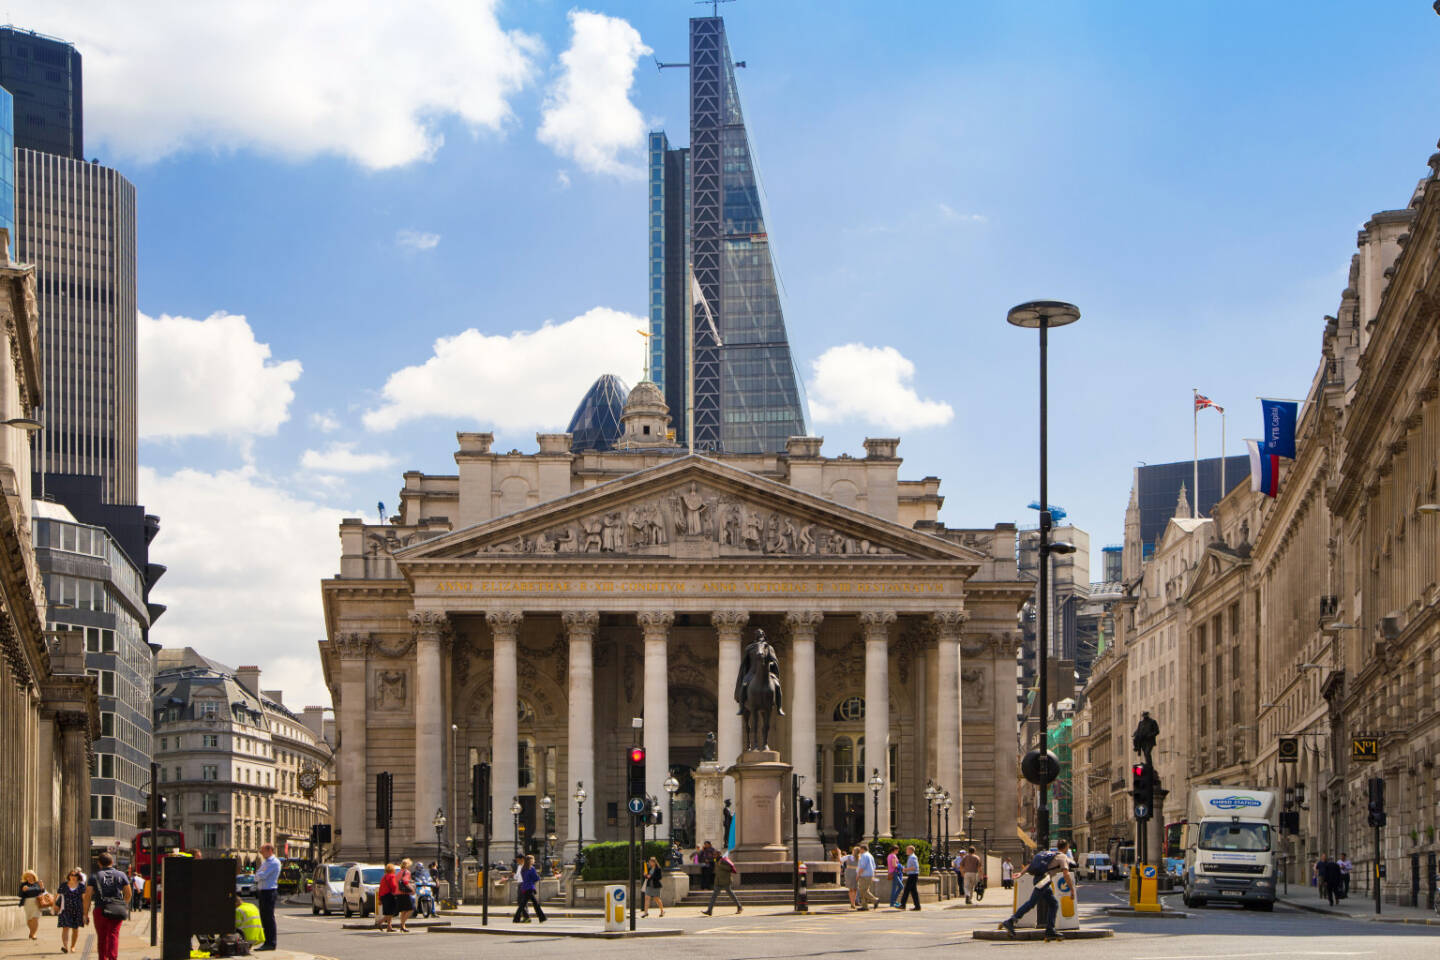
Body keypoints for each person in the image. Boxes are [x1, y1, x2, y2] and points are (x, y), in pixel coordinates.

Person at [999, 840, 1075, 942]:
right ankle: (1011, 921)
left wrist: (1021, 873)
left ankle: (1050, 931)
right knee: (1032, 903)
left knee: (1053, 904)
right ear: (1066, 847)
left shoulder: (1050, 854)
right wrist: (1072, 890)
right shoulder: (1062, 857)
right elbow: (1066, 874)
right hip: (1043, 880)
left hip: (1041, 879)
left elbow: (1031, 864)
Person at [83, 851, 131, 960]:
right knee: (113, 934)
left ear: (99, 863)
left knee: (102, 936)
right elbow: (128, 893)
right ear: (112, 862)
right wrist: (123, 905)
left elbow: (88, 895)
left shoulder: (94, 876)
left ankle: (103, 958)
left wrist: (85, 913)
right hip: (116, 908)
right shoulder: (121, 874)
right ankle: (113, 958)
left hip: (100, 909)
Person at [254, 842, 281, 951]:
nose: (261, 853)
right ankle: (267, 942)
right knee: (264, 918)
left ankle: (271, 943)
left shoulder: (274, 862)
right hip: (263, 891)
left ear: (270, 850)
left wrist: (258, 875)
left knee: (269, 918)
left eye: (263, 851)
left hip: (269, 891)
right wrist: (258, 875)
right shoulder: (266, 862)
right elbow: (257, 875)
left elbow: (262, 875)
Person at [55, 868, 87, 954]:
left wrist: (85, 912)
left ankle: (73, 946)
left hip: (77, 910)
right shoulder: (64, 885)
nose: (73, 877)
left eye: (75, 875)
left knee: (75, 929)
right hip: (65, 909)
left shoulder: (81, 886)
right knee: (65, 928)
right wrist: (54, 905)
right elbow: (58, 895)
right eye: (71, 875)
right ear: (69, 876)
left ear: (78, 877)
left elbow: (84, 899)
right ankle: (65, 946)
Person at [702, 851, 741, 916]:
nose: (714, 855)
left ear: (719, 854)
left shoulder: (724, 860)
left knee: (731, 895)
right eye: (713, 854)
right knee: (713, 896)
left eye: (715, 854)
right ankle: (709, 910)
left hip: (725, 881)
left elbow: (729, 868)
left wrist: (721, 865)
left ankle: (739, 907)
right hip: (718, 881)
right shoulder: (716, 860)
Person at [513, 854, 546, 924]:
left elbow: (523, 877)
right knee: (535, 904)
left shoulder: (523, 869)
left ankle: (516, 918)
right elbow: (535, 878)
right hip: (530, 887)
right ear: (530, 861)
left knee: (523, 904)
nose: (534, 861)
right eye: (533, 859)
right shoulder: (532, 868)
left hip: (524, 887)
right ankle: (541, 917)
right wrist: (538, 878)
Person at [19, 869, 45, 941]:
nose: (29, 878)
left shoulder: (37, 883)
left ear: (34, 876)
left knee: (35, 918)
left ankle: (33, 934)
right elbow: (20, 894)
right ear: (25, 877)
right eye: (27, 876)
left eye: (31, 876)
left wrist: (42, 887)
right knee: (29, 920)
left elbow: (42, 891)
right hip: (27, 903)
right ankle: (31, 932)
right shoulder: (23, 884)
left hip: (37, 902)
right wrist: (23, 890)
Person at [377, 863, 400, 931]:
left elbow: (380, 888)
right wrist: (396, 892)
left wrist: (379, 898)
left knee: (388, 912)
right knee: (392, 911)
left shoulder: (383, 877)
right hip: (390, 895)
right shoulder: (392, 876)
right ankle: (380, 922)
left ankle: (389, 927)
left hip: (383, 896)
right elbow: (394, 886)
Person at [856, 843, 878, 910]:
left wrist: (858, 875)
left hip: (864, 875)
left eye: (860, 849)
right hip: (869, 874)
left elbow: (862, 867)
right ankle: (864, 906)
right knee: (865, 890)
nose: (859, 850)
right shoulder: (870, 855)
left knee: (863, 890)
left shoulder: (864, 856)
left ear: (862, 849)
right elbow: (874, 866)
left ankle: (875, 900)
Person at [395, 857, 415, 932]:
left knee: (403, 910)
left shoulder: (400, 872)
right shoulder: (407, 872)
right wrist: (412, 889)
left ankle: (403, 925)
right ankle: (402, 924)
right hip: (404, 893)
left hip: (398, 892)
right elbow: (405, 882)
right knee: (410, 909)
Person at [900, 845, 922, 910]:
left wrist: (906, 869)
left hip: (913, 875)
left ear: (911, 850)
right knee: (913, 891)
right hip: (912, 875)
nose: (906, 851)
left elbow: (915, 867)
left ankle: (903, 905)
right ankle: (917, 906)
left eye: (907, 849)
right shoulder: (911, 857)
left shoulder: (913, 857)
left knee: (906, 890)